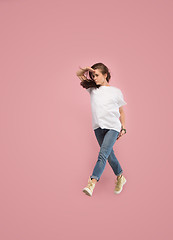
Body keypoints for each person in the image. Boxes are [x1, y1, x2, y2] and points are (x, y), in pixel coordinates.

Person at [76, 63, 127, 197]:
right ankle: (120, 176)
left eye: (97, 75)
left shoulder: (116, 91)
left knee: (102, 155)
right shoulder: (93, 89)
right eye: (93, 75)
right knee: (109, 155)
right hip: (98, 128)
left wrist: (124, 128)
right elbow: (78, 75)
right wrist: (86, 70)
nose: (94, 78)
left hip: (113, 127)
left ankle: (91, 183)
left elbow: (121, 112)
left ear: (105, 75)